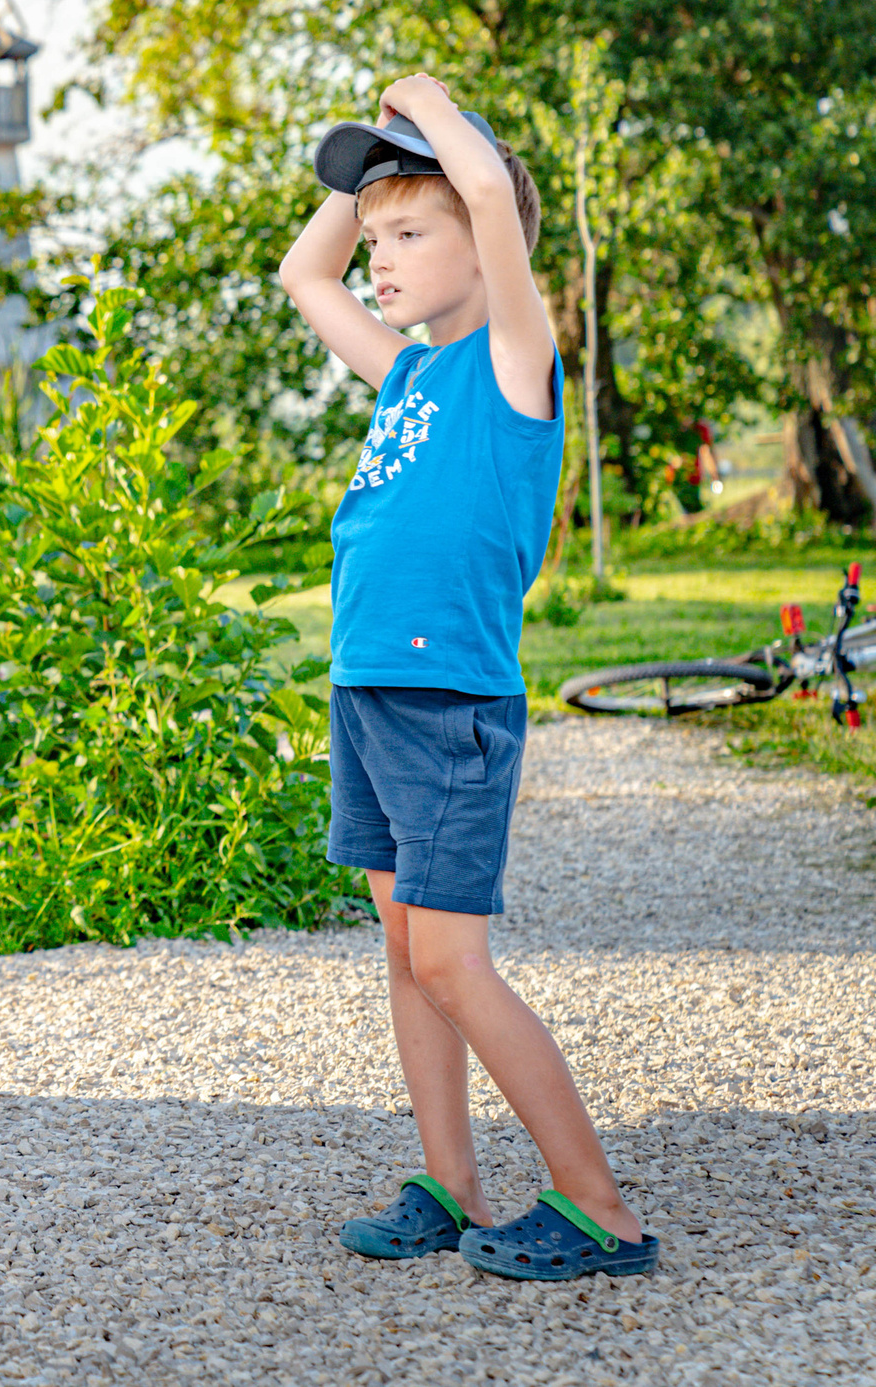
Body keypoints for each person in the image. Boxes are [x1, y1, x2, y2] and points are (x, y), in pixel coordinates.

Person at [277, 74, 657, 1283]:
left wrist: (429, 103)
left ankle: (599, 1207)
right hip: (370, 690)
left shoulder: (512, 360)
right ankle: (449, 1181)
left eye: (410, 234)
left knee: (449, 958)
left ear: (485, 243)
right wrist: (370, 177)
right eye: (377, 236)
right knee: (404, 948)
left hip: (449, 704)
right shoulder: (404, 375)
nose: (378, 261)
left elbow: (487, 190)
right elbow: (302, 278)